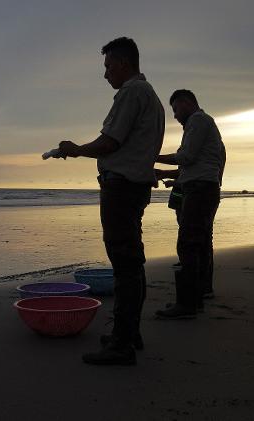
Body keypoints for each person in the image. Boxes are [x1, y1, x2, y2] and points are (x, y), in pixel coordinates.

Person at [54, 37, 164, 365]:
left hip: (122, 188)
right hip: (134, 186)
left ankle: (122, 345)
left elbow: (110, 142)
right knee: (131, 262)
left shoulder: (132, 93)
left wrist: (75, 149)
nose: (105, 75)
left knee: (125, 264)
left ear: (123, 63)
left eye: (107, 67)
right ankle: (129, 334)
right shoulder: (151, 97)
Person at [154, 89, 226, 319]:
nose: (174, 115)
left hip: (199, 190)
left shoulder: (199, 120)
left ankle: (187, 305)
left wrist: (151, 155)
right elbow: (192, 163)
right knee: (199, 242)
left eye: (175, 109)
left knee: (188, 244)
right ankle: (196, 298)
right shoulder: (203, 124)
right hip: (202, 188)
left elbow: (186, 157)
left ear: (187, 103)